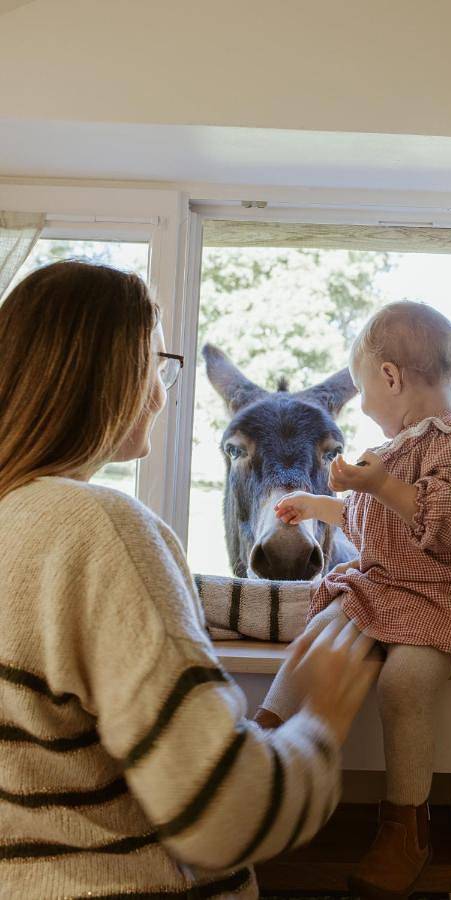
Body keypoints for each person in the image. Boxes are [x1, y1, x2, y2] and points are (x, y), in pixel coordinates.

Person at [0, 261, 376, 899]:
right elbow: (220, 818)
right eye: (156, 360)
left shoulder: (17, 518)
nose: (161, 387)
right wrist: (322, 720)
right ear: (116, 376)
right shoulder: (101, 530)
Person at [257, 300, 451, 900]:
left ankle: (405, 828)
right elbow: (370, 519)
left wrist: (377, 481)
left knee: (406, 685)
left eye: (367, 395)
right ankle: (260, 744)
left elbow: (442, 525)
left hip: (433, 603)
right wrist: (319, 506)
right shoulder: (389, 453)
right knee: (318, 640)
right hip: (379, 591)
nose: (368, 410)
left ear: (391, 377)